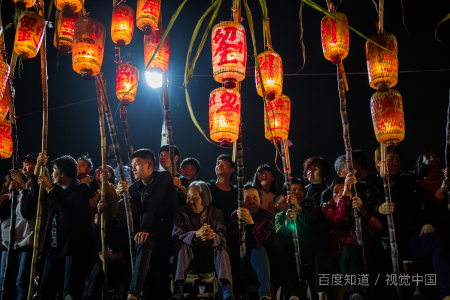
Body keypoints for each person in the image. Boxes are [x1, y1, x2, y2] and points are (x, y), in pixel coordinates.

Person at [366, 145, 450, 300]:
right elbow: (372, 202)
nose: (395, 163)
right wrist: (380, 209)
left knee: (436, 241)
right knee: (400, 289)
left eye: (397, 159)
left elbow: (423, 202)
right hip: (389, 243)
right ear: (378, 162)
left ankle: (446, 293)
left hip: (413, 237)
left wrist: (427, 222)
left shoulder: (408, 181)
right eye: (390, 159)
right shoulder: (373, 185)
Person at [117, 148, 177, 300]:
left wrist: (145, 229)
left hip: (165, 232)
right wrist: (125, 195)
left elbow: (153, 203)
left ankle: (133, 293)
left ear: (150, 165)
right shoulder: (135, 187)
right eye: (132, 165)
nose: (133, 168)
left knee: (145, 242)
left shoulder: (163, 177)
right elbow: (135, 212)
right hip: (145, 234)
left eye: (137, 164)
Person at [36, 154, 93, 300]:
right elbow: (36, 193)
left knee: (69, 291)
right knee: (45, 288)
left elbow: (66, 206)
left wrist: (49, 187)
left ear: (63, 172)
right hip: (54, 247)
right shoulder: (57, 188)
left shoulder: (81, 188)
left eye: (54, 170)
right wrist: (38, 166)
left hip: (72, 248)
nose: (52, 173)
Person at [171, 181, 234, 300]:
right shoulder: (181, 213)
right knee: (181, 246)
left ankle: (227, 290)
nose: (190, 201)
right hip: (188, 259)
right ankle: (178, 290)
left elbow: (223, 235)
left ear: (204, 199)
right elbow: (177, 234)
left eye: (194, 198)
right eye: (188, 197)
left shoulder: (216, 213)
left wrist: (212, 237)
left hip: (210, 259)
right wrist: (196, 234)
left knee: (221, 246)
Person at [324, 174, 383, 300]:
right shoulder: (330, 210)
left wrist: (364, 213)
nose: (340, 194)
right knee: (348, 249)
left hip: (363, 258)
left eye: (344, 190)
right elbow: (340, 219)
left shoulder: (361, 207)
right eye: (336, 192)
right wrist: (346, 192)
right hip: (339, 259)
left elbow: (377, 229)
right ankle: (355, 293)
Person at [275, 177, 329, 300]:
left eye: (300, 189)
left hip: (310, 252)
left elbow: (314, 227)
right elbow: (281, 235)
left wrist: (299, 210)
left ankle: (320, 294)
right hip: (291, 254)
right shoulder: (280, 215)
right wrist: (287, 223)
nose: (297, 192)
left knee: (318, 258)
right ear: (286, 195)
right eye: (293, 190)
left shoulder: (312, 210)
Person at [227, 183, 275, 300]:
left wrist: (250, 222)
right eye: (247, 198)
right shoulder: (235, 216)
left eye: (255, 197)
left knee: (258, 249)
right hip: (239, 260)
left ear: (260, 199)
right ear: (241, 201)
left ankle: (265, 294)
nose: (252, 201)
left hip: (261, 262)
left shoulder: (266, 216)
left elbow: (259, 240)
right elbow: (234, 243)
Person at [0, 155, 37, 300]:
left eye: (28, 164)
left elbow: (26, 212)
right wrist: (11, 196)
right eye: (23, 164)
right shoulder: (20, 190)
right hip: (9, 241)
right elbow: (4, 214)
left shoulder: (33, 186)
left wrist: (22, 187)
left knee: (22, 283)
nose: (24, 167)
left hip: (26, 240)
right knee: (5, 281)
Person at [207, 154, 237, 225]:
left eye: (224, 163)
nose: (220, 165)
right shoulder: (208, 188)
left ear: (232, 169)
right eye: (218, 163)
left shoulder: (236, 192)